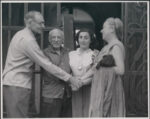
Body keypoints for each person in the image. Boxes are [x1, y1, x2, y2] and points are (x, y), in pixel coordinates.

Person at [2, 11, 81, 118]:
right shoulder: (28, 40)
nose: (43, 26)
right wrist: (70, 78)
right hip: (17, 85)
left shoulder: (21, 34)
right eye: (40, 23)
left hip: (15, 84)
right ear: (30, 22)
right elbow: (46, 64)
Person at [83, 17, 126, 117]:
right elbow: (96, 68)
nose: (101, 30)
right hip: (101, 88)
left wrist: (103, 67)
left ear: (112, 29)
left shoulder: (116, 46)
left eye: (103, 27)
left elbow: (121, 70)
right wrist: (80, 79)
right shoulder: (105, 47)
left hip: (111, 89)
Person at [40, 28, 72, 117]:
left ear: (62, 40)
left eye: (59, 37)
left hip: (66, 95)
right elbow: (52, 72)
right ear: (49, 40)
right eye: (53, 37)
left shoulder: (68, 52)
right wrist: (70, 78)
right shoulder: (44, 53)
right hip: (51, 96)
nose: (56, 40)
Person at [69, 28, 95, 117]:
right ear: (77, 39)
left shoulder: (94, 54)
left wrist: (81, 81)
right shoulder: (71, 54)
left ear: (91, 40)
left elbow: (96, 73)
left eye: (86, 38)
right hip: (75, 88)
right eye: (81, 37)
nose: (83, 40)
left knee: (88, 113)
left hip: (90, 88)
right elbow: (67, 72)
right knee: (76, 113)